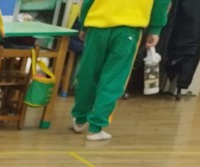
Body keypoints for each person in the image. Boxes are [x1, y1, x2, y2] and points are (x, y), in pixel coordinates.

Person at [70, 0, 171, 141]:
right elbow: (161, 3)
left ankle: (80, 119)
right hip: (128, 30)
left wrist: (83, 24)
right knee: (113, 79)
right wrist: (155, 29)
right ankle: (95, 128)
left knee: (88, 74)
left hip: (97, 26)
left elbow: (88, 1)